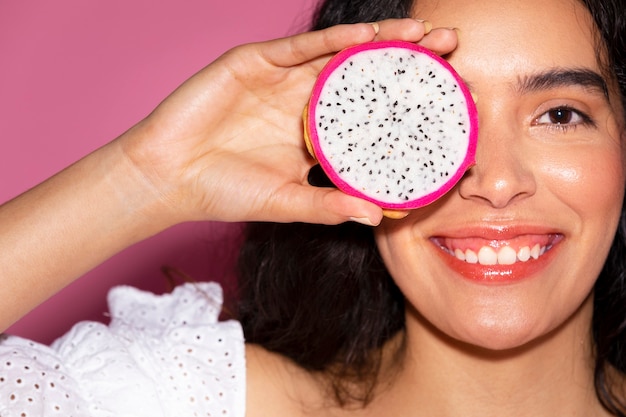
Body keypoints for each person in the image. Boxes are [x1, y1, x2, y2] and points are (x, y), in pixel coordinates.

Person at [0, 0, 625, 415]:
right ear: (352, 160)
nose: (495, 181)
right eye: (426, 119)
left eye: (560, 115)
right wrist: (141, 179)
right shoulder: (192, 398)